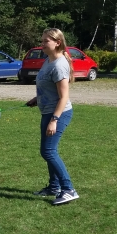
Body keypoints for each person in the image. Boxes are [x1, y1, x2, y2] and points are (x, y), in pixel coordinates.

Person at [25, 28, 79, 206]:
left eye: (45, 41)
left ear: (57, 43)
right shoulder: (48, 60)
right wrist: (37, 98)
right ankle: (54, 187)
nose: (42, 44)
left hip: (58, 113)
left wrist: (54, 120)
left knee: (48, 151)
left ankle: (68, 189)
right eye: (42, 40)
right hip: (47, 111)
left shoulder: (59, 65)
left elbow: (63, 97)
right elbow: (48, 87)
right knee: (48, 151)